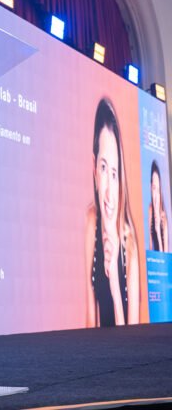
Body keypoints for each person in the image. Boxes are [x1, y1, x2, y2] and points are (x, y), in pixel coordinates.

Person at [84, 97, 140, 327]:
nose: (109, 191)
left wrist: (116, 287)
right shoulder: (91, 220)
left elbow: (133, 338)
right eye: (104, 168)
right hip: (97, 349)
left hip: (125, 347)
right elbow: (90, 319)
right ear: (94, 168)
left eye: (114, 173)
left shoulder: (130, 244)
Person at [148, 160, 169, 252]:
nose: (156, 196)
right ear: (150, 188)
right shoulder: (150, 210)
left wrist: (158, 234)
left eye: (158, 190)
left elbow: (165, 256)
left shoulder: (164, 219)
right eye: (154, 188)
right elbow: (150, 248)